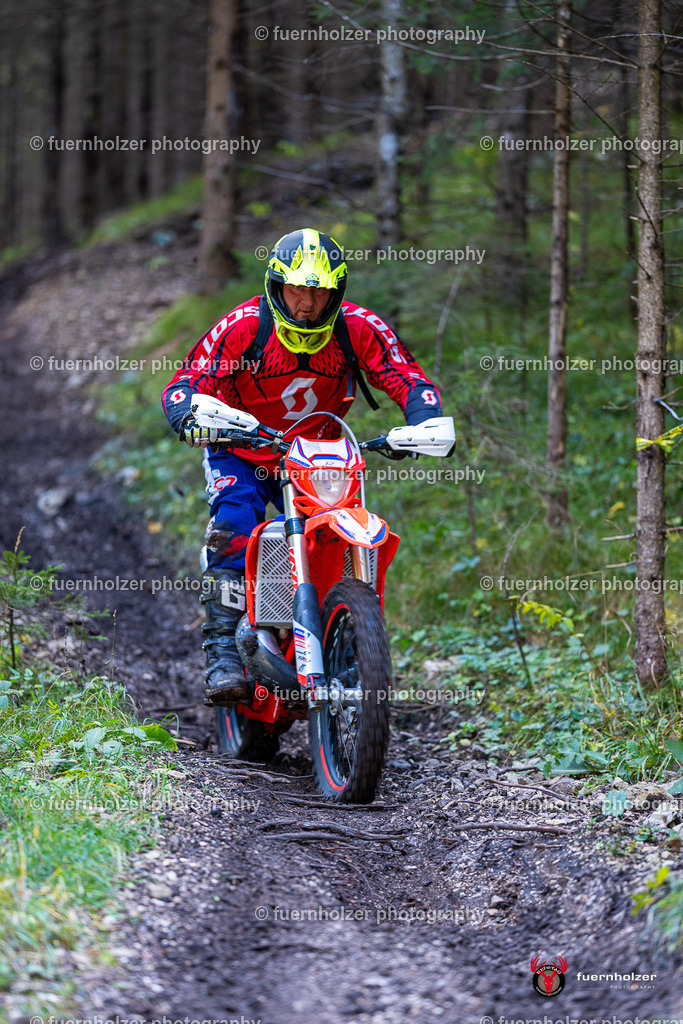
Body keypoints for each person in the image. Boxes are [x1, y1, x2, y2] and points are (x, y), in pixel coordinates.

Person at [161, 228, 443, 704]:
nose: (307, 304)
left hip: (318, 457)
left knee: (338, 537)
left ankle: (351, 640)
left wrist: (425, 421)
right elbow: (185, 382)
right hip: (242, 449)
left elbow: (408, 378)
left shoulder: (359, 328)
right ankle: (223, 655)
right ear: (277, 285)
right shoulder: (243, 327)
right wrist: (188, 413)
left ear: (336, 292)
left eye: (319, 291)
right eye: (297, 289)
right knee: (234, 526)